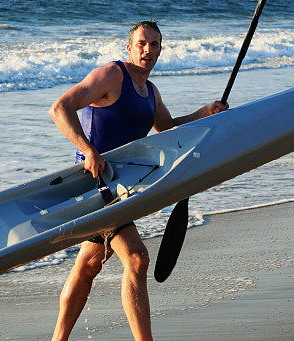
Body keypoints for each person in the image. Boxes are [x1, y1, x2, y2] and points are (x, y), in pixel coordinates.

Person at [48, 20, 228, 341]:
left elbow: (167, 128)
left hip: (122, 187)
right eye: (141, 43)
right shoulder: (112, 75)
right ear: (129, 48)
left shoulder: (150, 92)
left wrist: (203, 113)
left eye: (154, 44)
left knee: (90, 265)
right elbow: (60, 107)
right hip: (95, 185)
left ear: (161, 50)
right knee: (137, 259)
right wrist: (87, 150)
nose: (148, 50)